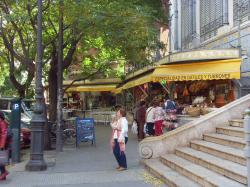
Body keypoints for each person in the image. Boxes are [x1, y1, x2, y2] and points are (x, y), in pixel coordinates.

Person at [0, 112, 9, 180]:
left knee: (1, 159)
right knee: (0, 159)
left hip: (1, 144)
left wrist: (2, 145)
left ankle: (4, 172)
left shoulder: (2, 122)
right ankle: (4, 173)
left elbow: (4, 134)